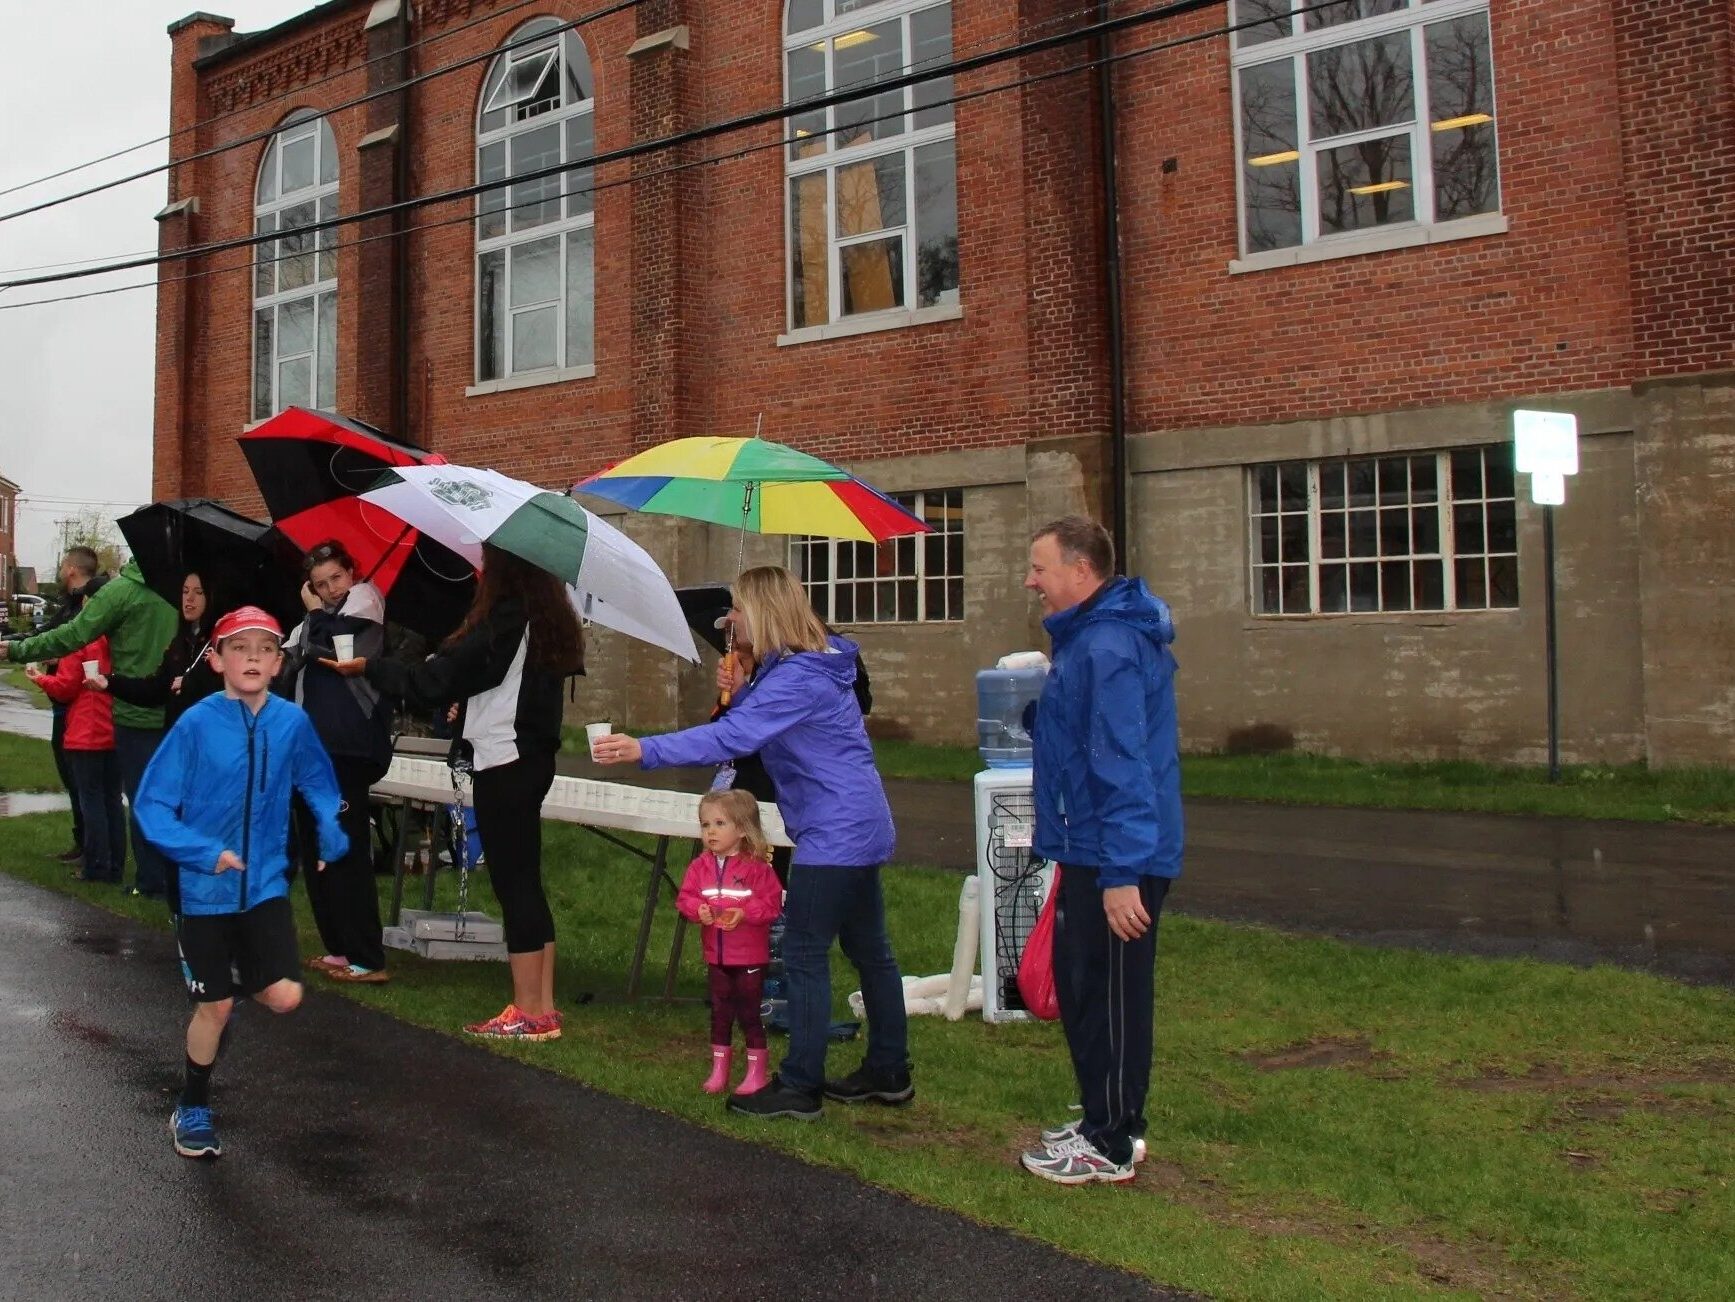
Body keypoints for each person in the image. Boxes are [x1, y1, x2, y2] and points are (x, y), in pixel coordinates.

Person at [594, 565, 910, 1122]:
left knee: (808, 954)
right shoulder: (812, 663)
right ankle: (889, 1071)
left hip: (835, 833)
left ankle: (799, 1085)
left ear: (763, 612)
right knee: (871, 952)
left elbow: (735, 739)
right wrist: (741, 691)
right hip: (859, 822)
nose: (729, 618)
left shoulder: (797, 677)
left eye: (736, 608)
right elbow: (757, 725)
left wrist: (645, 750)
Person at [323, 543, 582, 1041]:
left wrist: (371, 668)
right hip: (530, 756)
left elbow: (433, 680)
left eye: (488, 560)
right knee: (526, 881)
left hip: (503, 759)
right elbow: (494, 682)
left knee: (514, 885)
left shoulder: (508, 615)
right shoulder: (547, 617)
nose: (482, 569)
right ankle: (544, 1008)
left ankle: (529, 1011)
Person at [133, 606, 347, 1160]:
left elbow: (319, 783)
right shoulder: (196, 725)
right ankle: (194, 1105)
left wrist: (328, 829)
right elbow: (153, 806)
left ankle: (232, 977)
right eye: (239, 647)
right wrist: (204, 853)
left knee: (284, 996)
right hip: (203, 890)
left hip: (264, 885)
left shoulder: (291, 723)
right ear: (218, 660)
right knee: (218, 1009)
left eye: (265, 649)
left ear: (278, 663)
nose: (252, 657)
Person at [1017, 516, 1182, 1186]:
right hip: (1091, 844)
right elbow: (1086, 738)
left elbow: (1123, 764)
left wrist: (1121, 876)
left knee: (1107, 998)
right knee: (1086, 991)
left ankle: (1111, 1141)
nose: (1030, 581)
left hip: (1116, 854)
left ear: (1080, 571)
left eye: (1039, 568)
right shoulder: (1085, 640)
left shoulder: (1105, 645)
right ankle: (1101, 1119)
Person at [2, 552, 179, 900]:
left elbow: (73, 635)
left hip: (130, 713)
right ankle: (166, 878)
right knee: (163, 800)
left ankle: (148, 880)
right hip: (176, 710)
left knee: (137, 799)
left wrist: (17, 650)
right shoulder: (183, 588)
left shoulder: (124, 591)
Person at [278, 541, 393, 984]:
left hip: (347, 748)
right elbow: (291, 657)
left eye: (335, 579)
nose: (329, 590)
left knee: (345, 850)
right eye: (320, 584)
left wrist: (312, 617)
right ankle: (339, 947)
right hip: (311, 749)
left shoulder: (367, 600)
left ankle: (369, 956)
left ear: (352, 572)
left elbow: (331, 649)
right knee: (316, 849)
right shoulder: (319, 616)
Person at [674, 789, 783, 1096]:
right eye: (705, 824)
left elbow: (772, 905)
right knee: (720, 1013)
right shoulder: (700, 867)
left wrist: (744, 913)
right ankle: (719, 1069)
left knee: (750, 1013)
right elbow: (685, 898)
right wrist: (700, 911)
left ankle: (756, 1072)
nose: (710, 831)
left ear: (742, 828)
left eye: (720, 823)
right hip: (716, 956)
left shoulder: (758, 869)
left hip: (749, 958)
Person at [26, 635, 124, 885]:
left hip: (85, 731)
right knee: (112, 800)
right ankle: (115, 865)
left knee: (90, 800)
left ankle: (96, 865)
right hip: (114, 728)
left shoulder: (78, 644)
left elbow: (65, 688)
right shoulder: (118, 642)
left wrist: (40, 678)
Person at [32, 548, 108, 866]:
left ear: (73, 570)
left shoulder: (85, 613)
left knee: (83, 784)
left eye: (64, 566)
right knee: (81, 784)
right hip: (74, 708)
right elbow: (47, 635)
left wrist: (49, 665)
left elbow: (72, 662)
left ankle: (92, 851)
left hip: (78, 710)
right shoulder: (70, 606)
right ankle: (89, 846)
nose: (62, 571)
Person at [94, 571, 224, 731]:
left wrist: (190, 684)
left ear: (211, 597)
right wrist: (110, 682)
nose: (189, 598)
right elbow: (157, 688)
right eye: (185, 591)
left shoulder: (222, 643)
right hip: (177, 739)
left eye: (198, 592)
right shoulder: (180, 642)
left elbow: (227, 692)